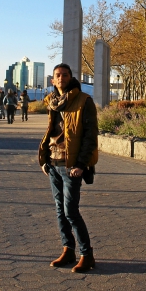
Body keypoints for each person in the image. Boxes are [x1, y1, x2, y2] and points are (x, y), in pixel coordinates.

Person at [38, 63, 99, 273]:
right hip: (53, 163)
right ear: (52, 80)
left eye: (65, 74)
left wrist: (81, 164)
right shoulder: (52, 102)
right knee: (59, 210)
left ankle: (86, 254)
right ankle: (68, 249)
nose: (61, 78)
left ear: (71, 78)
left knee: (71, 211)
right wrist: (44, 160)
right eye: (57, 75)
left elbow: (90, 136)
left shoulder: (84, 101)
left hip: (71, 165)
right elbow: (50, 132)